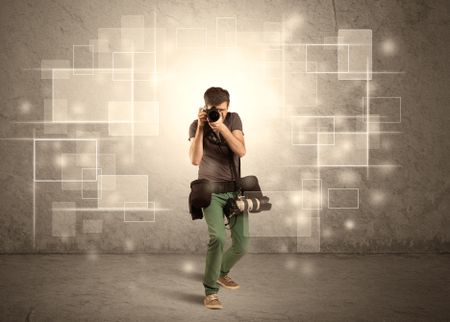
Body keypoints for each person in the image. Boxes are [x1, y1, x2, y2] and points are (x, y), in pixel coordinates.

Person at [188, 87, 249, 309]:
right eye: (214, 111)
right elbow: (195, 160)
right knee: (218, 238)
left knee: (242, 245)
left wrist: (222, 126)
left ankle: (221, 272)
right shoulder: (197, 125)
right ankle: (210, 292)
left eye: (222, 111)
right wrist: (202, 128)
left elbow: (241, 151)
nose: (219, 114)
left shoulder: (233, 120)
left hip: (234, 192)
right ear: (206, 108)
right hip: (210, 192)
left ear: (228, 107)